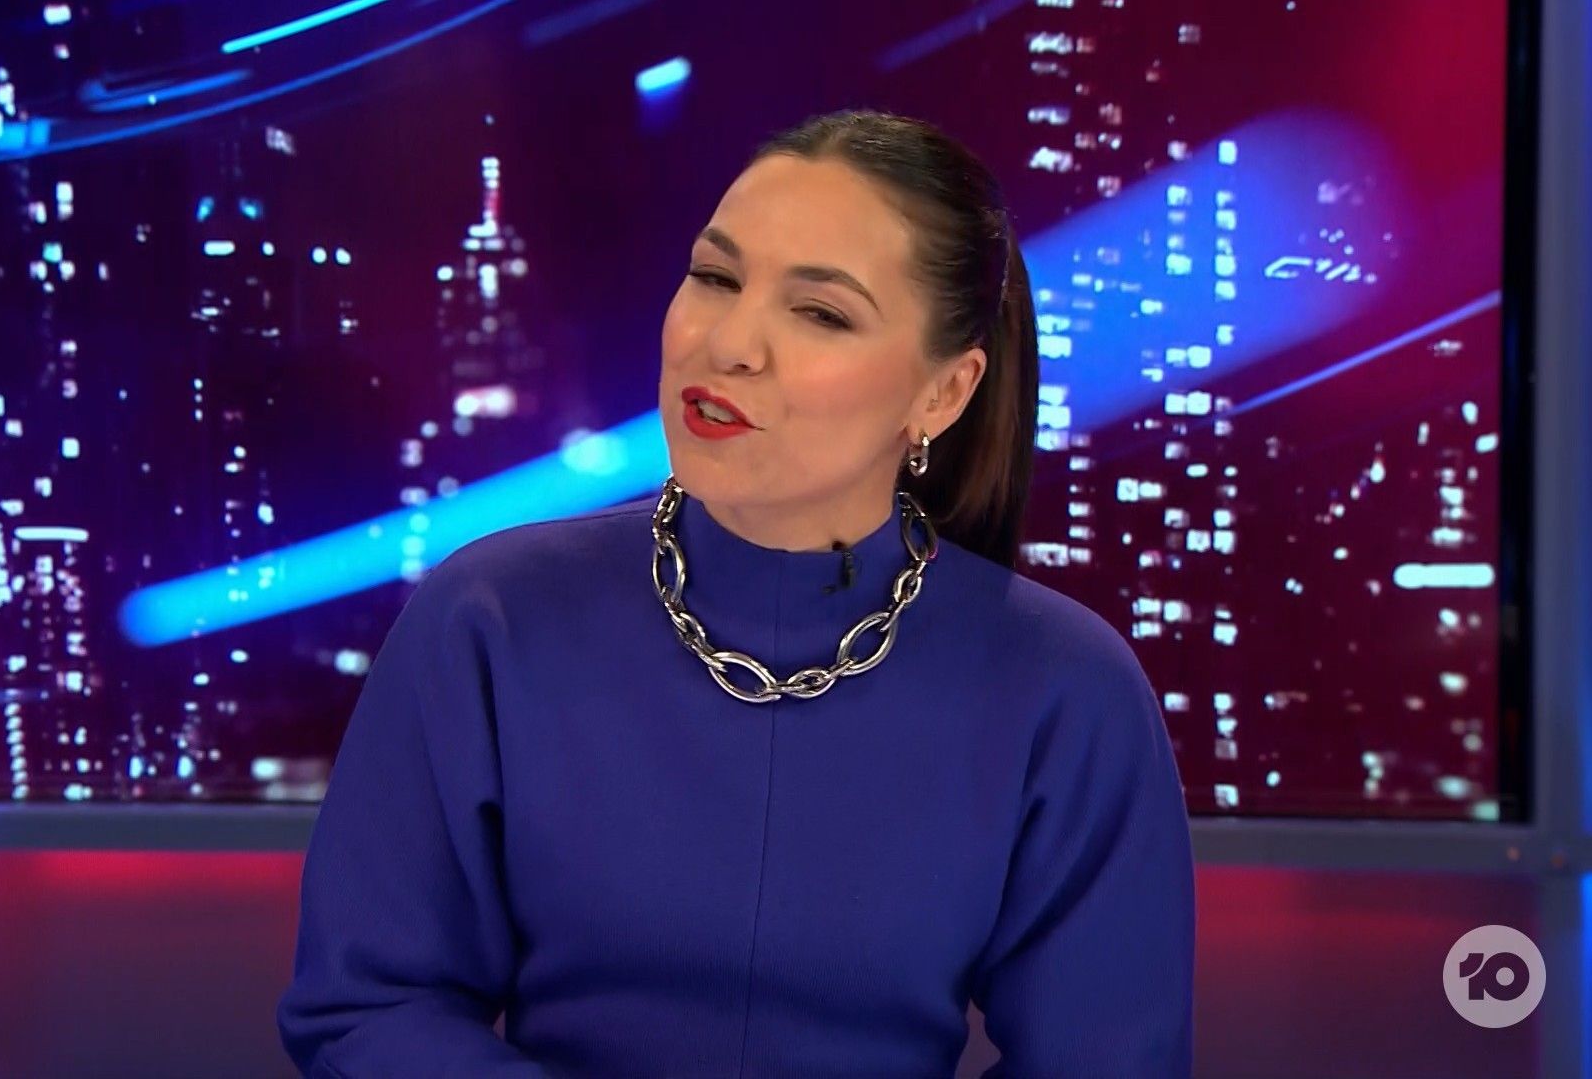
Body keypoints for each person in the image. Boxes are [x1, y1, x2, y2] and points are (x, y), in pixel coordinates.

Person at [277, 109, 1194, 1078]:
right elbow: (369, 1005)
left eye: (821, 313)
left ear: (944, 392)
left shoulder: (1066, 689)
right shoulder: (488, 619)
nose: (730, 343)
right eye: (715, 278)